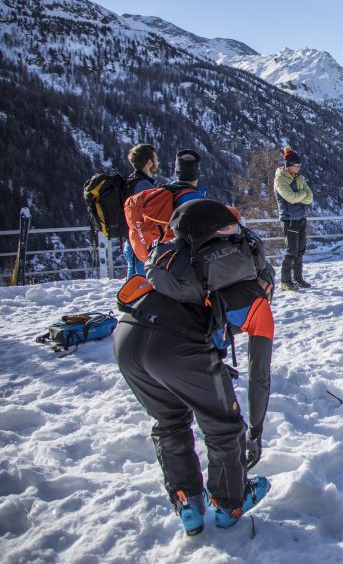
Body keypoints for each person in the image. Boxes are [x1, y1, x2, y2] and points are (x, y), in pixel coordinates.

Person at [113, 199, 275, 536]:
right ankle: (231, 503)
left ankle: (187, 502)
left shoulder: (187, 271)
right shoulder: (255, 298)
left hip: (128, 335)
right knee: (224, 425)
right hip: (178, 347)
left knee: (170, 421)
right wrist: (255, 433)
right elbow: (259, 375)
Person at [274, 147, 314, 290]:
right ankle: (286, 281)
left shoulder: (299, 177)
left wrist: (300, 196)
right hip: (289, 219)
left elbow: (310, 197)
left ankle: (298, 278)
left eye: (299, 165)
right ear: (288, 165)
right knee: (291, 251)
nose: (298, 168)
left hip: (301, 218)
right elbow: (290, 197)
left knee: (300, 250)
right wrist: (302, 195)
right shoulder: (280, 179)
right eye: (296, 165)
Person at [123, 143, 160, 278]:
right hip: (141, 244)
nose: (158, 162)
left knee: (133, 282)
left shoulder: (129, 182)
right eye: (156, 159)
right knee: (142, 283)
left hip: (131, 241)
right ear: (149, 163)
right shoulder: (144, 186)